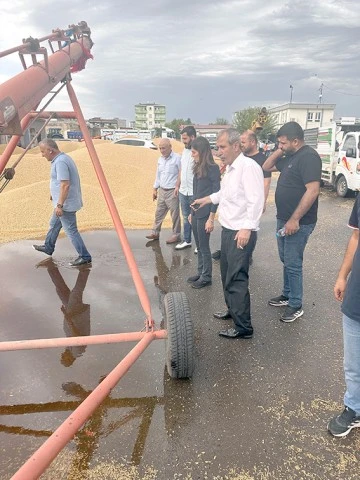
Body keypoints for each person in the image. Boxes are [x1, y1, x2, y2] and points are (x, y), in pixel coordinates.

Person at [193, 128, 264, 338]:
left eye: (222, 146)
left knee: (236, 278)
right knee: (226, 274)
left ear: (235, 146)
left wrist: (246, 228)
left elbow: (255, 200)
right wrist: (208, 199)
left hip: (240, 232)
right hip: (229, 229)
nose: (218, 150)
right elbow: (226, 193)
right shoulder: (232, 168)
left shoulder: (248, 167)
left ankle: (244, 327)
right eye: (218, 146)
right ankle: (232, 310)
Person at [262, 121, 321, 323]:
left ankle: (296, 304)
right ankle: (287, 295)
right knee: (285, 258)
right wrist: (280, 149)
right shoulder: (290, 156)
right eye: (279, 143)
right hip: (283, 219)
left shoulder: (309, 157)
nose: (280, 146)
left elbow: (313, 190)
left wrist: (295, 219)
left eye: (283, 142)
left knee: (293, 263)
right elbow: (266, 166)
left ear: (296, 141)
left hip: (298, 222)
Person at [328, 196, 360, 437]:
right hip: (357, 295)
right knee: (353, 364)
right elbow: (356, 237)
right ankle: (354, 408)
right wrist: (342, 276)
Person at [32, 138, 92, 267]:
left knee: (71, 230)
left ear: (50, 150)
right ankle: (48, 247)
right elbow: (59, 183)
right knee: (54, 224)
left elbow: (65, 184)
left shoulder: (60, 162)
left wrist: (59, 205)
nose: (42, 155)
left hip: (65, 205)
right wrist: (53, 194)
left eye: (43, 152)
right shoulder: (62, 158)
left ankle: (85, 256)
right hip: (62, 202)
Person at [187, 136, 221, 289]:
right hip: (196, 213)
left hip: (206, 213)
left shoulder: (212, 168)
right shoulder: (197, 167)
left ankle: (206, 277)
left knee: (204, 247)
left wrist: (211, 219)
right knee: (199, 246)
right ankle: (200, 272)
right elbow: (196, 192)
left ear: (201, 151)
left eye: (194, 152)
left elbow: (216, 194)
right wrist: (191, 212)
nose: (192, 154)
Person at [145, 138, 181, 244]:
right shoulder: (160, 159)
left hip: (172, 191)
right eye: (160, 148)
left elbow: (181, 173)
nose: (162, 150)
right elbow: (158, 175)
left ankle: (176, 235)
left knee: (175, 215)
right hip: (162, 190)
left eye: (164, 148)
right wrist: (155, 189)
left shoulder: (177, 158)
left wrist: (178, 186)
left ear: (170, 147)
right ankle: (155, 233)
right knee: (159, 213)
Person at [174, 125, 197, 250]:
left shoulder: (199, 152)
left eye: (185, 139)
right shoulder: (184, 152)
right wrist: (177, 185)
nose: (183, 141)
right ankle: (187, 240)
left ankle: (199, 244)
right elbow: (181, 170)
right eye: (182, 139)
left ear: (192, 137)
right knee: (185, 217)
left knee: (196, 219)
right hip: (184, 191)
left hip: (195, 192)